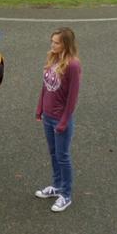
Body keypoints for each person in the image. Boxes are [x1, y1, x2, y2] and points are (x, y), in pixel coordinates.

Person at [35, 27, 82, 212]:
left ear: (66, 44)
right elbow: (45, 87)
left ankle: (66, 195)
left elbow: (72, 97)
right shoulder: (53, 58)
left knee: (63, 157)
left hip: (60, 119)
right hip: (48, 116)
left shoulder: (73, 65)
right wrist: (39, 109)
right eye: (52, 41)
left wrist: (63, 121)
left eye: (56, 42)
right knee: (53, 153)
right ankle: (56, 186)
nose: (52, 45)